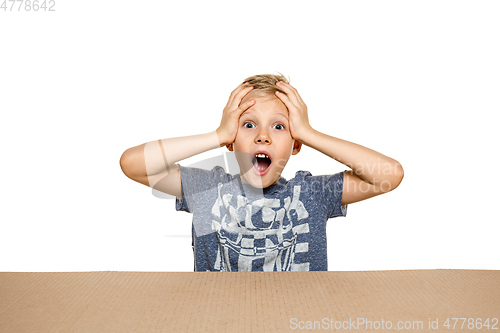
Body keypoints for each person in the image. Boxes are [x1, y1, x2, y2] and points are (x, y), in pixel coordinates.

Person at [120, 73, 404, 272]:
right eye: (248, 125)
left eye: (279, 127)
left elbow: (389, 175)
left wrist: (308, 132)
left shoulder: (311, 194)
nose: (263, 137)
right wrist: (218, 134)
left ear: (295, 146)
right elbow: (132, 163)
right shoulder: (206, 189)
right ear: (232, 141)